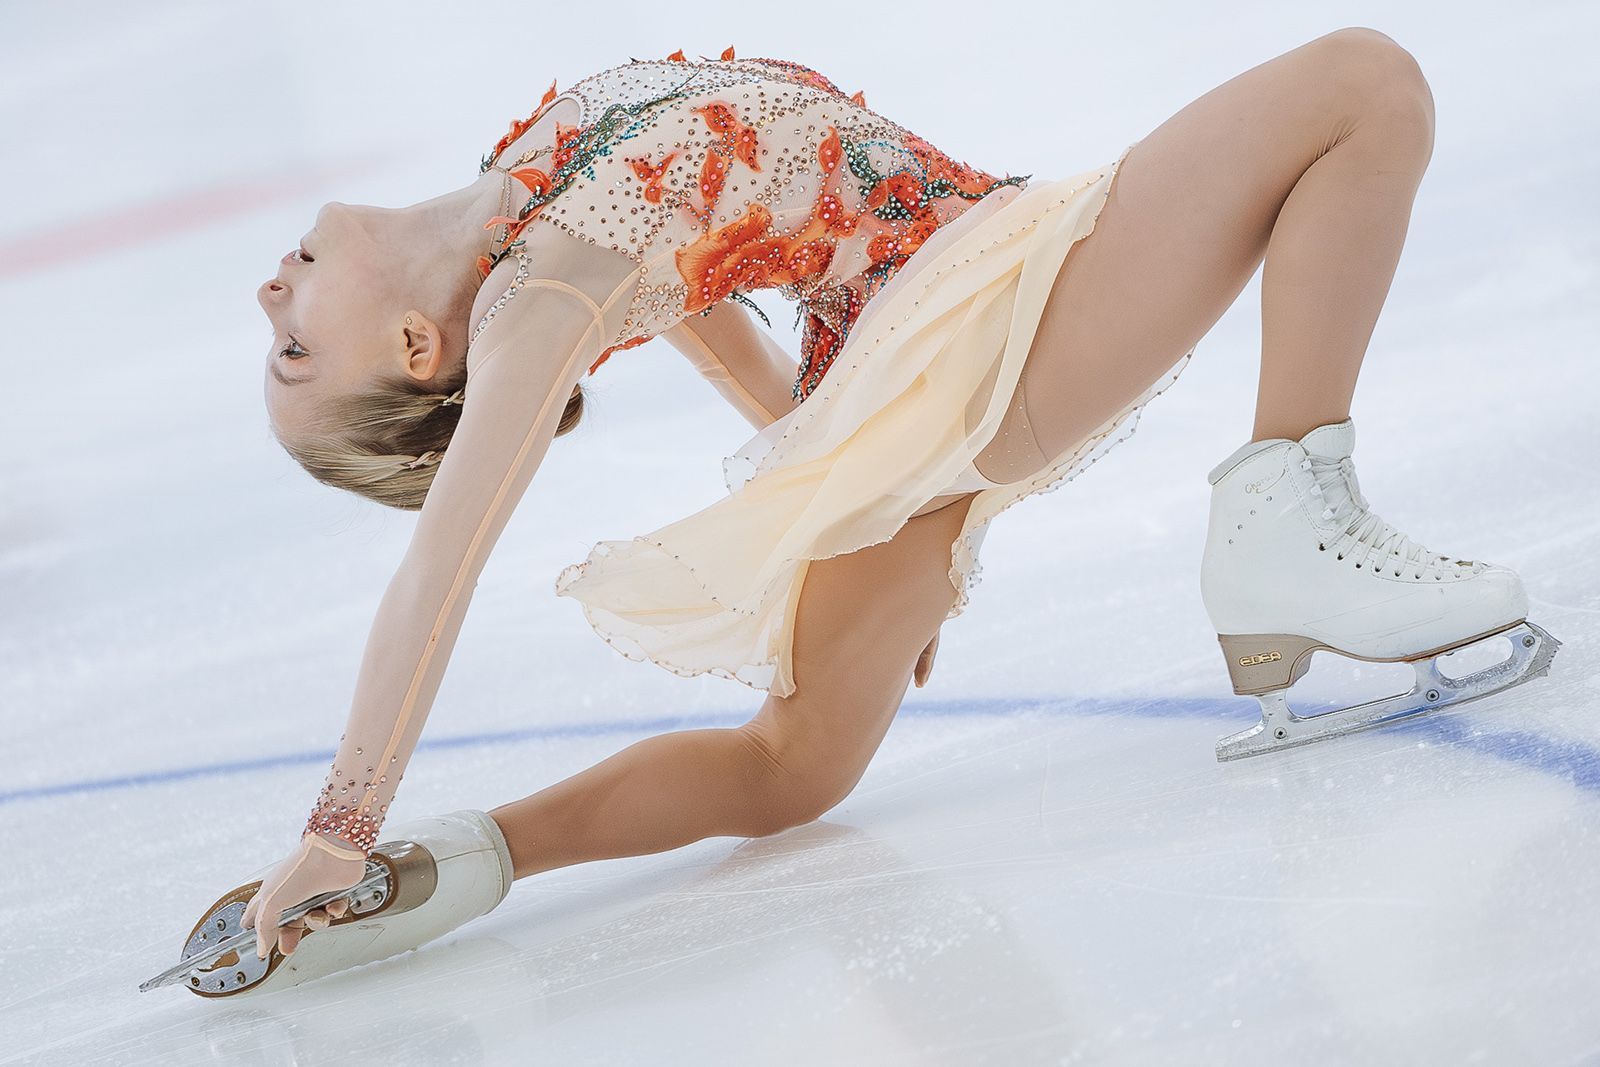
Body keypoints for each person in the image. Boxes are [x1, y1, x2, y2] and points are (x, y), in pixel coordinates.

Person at [210, 32, 1551, 993]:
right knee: (1362, 86)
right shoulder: (535, 304)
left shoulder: (525, 197)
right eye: (296, 354)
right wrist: (338, 829)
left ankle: (456, 862)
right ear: (416, 348)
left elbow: (702, 301)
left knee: (795, 770)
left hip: (894, 366)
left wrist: (859, 500)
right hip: (982, 302)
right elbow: (436, 577)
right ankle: (1284, 520)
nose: (271, 300)